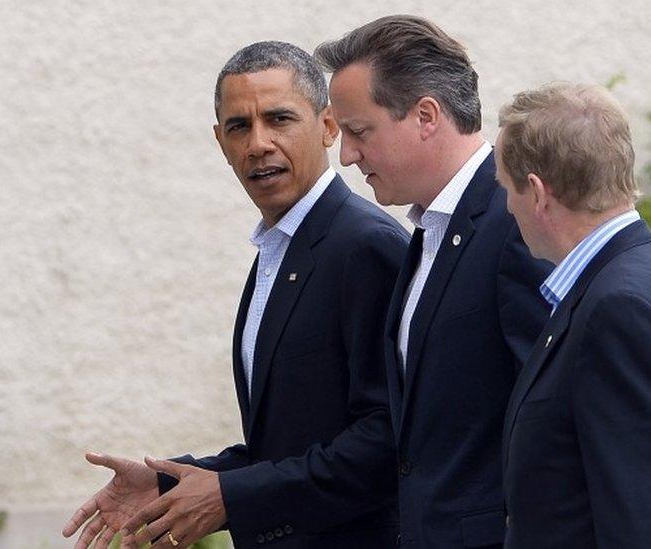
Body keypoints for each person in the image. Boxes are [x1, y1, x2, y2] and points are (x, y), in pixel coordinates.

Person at [61, 41, 408, 549]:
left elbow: (387, 442)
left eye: (279, 119)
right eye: (240, 126)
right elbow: (288, 444)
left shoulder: (364, 246)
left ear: (329, 126)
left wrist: (233, 497)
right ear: (220, 141)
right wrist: (168, 482)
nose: (259, 143)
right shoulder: (277, 252)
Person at [316, 16, 551, 548]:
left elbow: (551, 417)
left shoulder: (514, 224)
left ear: (425, 115)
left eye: (358, 131)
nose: (347, 155)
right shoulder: (429, 230)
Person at [495, 82, 651, 548]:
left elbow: (649, 526)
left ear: (537, 192)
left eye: (505, 188)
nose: (506, 206)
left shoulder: (620, 308)